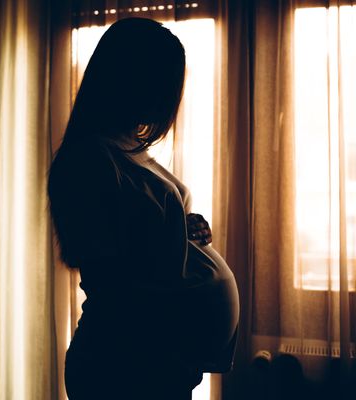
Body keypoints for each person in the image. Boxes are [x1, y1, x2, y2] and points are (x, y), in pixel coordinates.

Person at [48, 17, 239, 400]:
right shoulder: (89, 156)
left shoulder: (129, 148)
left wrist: (185, 230)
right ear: (127, 79)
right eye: (160, 83)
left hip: (159, 361)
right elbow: (109, 271)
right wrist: (173, 235)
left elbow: (142, 232)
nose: (165, 100)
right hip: (124, 364)